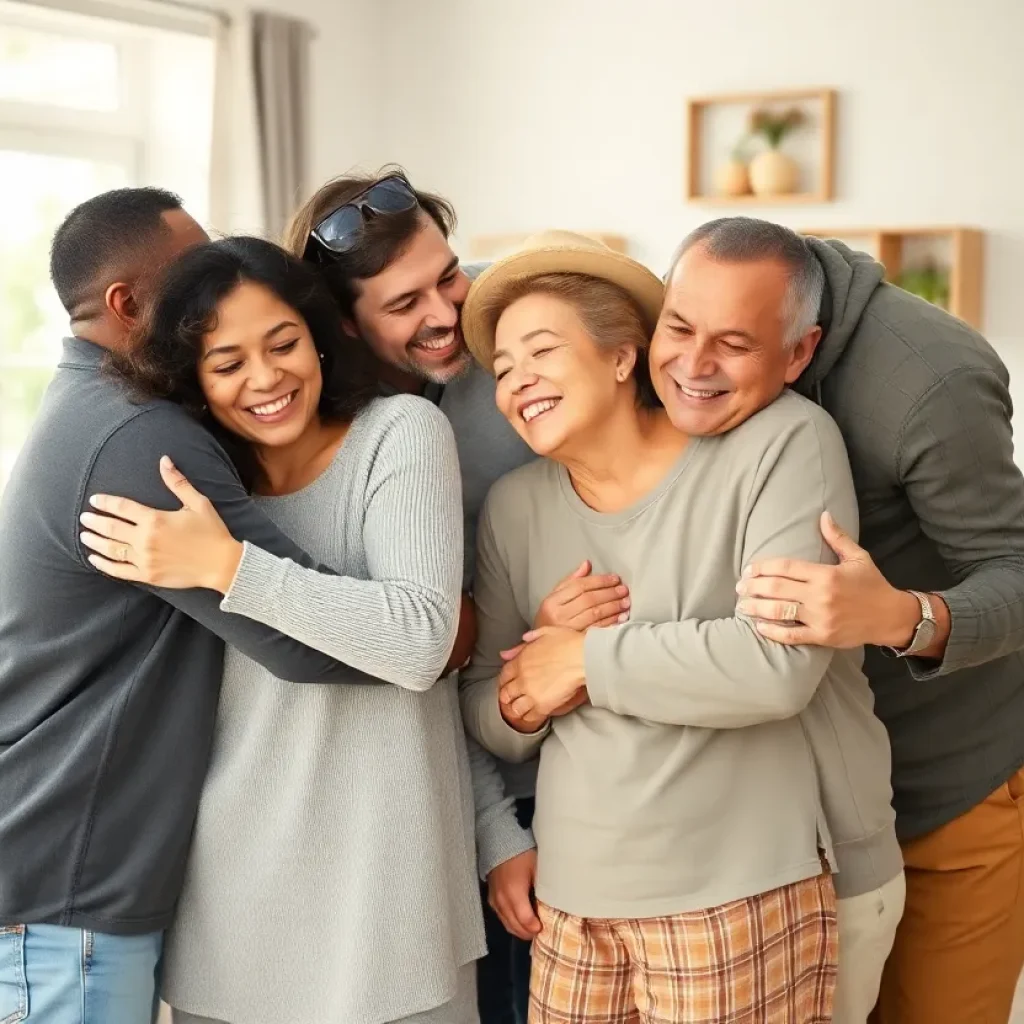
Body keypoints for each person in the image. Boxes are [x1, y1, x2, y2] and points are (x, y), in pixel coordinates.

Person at [457, 230, 881, 1022]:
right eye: (504, 369)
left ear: (623, 355)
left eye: (541, 352)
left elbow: (776, 667)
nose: (518, 383)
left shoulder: (778, 442)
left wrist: (583, 659)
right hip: (572, 906)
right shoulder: (514, 508)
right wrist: (529, 690)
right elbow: (487, 712)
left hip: (735, 893)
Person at [79, 236, 490, 1024]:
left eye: (283, 344)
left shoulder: (398, 435)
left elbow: (419, 639)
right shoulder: (192, 479)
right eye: (227, 362)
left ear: (321, 337)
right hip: (231, 912)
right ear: (193, 376)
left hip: (390, 912)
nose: (266, 379)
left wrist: (233, 569)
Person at [0, 189, 378, 1024]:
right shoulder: (138, 439)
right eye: (191, 275)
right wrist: (454, 630)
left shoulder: (91, 410)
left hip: (53, 884)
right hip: (68, 896)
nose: (216, 289)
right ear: (129, 304)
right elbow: (311, 646)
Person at [284, 169, 630, 1024]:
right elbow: (423, 655)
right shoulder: (332, 446)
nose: (446, 312)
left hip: (603, 745)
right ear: (343, 325)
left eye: (448, 275)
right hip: (470, 780)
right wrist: (499, 834)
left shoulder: (508, 372)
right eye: (404, 305)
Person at [668, 217, 1024, 1024]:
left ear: (800, 351)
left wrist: (903, 616)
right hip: (785, 821)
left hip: (946, 790)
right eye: (679, 326)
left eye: (731, 343)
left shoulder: (930, 380)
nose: (691, 365)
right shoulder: (675, 352)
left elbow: (1017, 570)